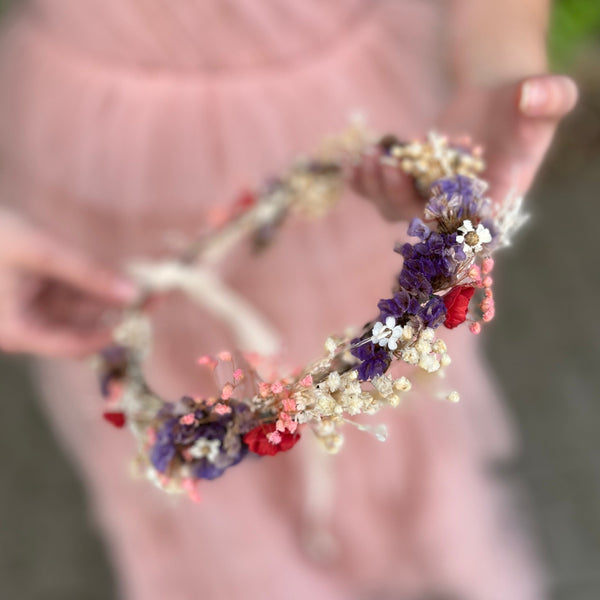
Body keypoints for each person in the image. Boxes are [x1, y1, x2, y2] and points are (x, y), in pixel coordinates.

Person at [0, 1, 577, 598]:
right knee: (174, 387)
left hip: (350, 111)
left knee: (379, 381)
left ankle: (401, 536)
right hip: (105, 144)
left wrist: (497, 62)